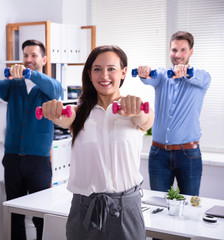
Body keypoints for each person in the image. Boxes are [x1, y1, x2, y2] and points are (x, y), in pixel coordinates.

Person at [40, 45, 154, 240]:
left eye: (111, 68)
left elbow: (145, 119)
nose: (104, 75)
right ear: (89, 74)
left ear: (123, 72)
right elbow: (66, 118)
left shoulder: (134, 108)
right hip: (84, 209)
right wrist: (55, 113)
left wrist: (139, 110)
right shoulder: (79, 112)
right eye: (97, 69)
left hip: (126, 209)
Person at [0, 39, 62, 240]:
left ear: (44, 59)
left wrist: (31, 74)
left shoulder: (48, 86)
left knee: (41, 215)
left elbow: (56, 90)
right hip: (12, 159)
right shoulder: (15, 84)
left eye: (33, 55)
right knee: (15, 214)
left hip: (38, 161)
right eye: (25, 55)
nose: (28, 59)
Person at [137, 31, 211, 196]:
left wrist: (186, 72)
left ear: (191, 52)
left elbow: (198, 77)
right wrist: (144, 72)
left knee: (190, 207)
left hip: (188, 155)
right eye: (174, 50)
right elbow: (149, 77)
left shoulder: (202, 77)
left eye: (183, 50)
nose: (178, 55)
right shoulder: (162, 76)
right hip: (158, 154)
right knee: (159, 207)